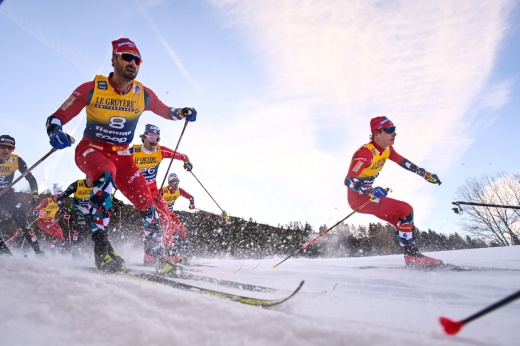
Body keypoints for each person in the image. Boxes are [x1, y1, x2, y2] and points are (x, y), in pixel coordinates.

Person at [45, 38, 197, 272]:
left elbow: (167, 111)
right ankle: (102, 250)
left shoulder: (142, 94)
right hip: (91, 150)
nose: (133, 63)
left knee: (148, 204)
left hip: (122, 155)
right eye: (127, 57)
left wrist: (182, 112)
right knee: (106, 174)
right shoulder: (92, 88)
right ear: (114, 59)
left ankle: (154, 255)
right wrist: (55, 132)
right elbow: (56, 117)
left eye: (137, 60)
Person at [344, 116, 443, 268]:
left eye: (394, 129)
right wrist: (370, 190)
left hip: (369, 197)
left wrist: (425, 174)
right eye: (390, 130)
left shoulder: (387, 150)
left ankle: (411, 256)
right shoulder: (365, 154)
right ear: (377, 133)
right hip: (359, 199)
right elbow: (349, 181)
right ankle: (412, 256)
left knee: (403, 221)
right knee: (406, 209)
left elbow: (403, 162)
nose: (394, 133)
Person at [130, 124, 193, 266]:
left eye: (157, 138)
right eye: (152, 137)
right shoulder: (134, 150)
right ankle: (149, 255)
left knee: (166, 218)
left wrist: (187, 162)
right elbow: (117, 160)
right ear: (145, 137)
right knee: (152, 222)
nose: (155, 141)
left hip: (153, 191)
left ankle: (169, 251)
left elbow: (182, 156)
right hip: (139, 192)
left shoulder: (160, 150)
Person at [0, 134, 45, 257]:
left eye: (10, 148)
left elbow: (31, 179)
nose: (6, 150)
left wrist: (35, 195)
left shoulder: (17, 160)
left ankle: (38, 252)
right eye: (3, 146)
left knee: (24, 221)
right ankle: (4, 251)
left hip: (7, 195)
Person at [161, 173, 195, 260]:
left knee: (181, 230)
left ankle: (187, 252)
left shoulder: (179, 191)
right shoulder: (163, 191)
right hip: (162, 214)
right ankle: (169, 253)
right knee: (170, 231)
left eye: (177, 182)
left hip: (171, 214)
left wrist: (191, 204)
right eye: (174, 182)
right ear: (169, 183)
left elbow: (191, 197)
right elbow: (153, 198)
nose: (176, 184)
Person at [58, 176, 93, 256]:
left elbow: (106, 195)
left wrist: (115, 200)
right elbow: (61, 197)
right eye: (90, 179)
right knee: (81, 223)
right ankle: (75, 250)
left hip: (89, 210)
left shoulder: (97, 185)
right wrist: (62, 207)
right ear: (87, 178)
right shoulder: (77, 184)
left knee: (94, 228)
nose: (91, 183)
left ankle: (89, 250)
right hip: (77, 208)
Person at [31, 186, 67, 254]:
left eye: (61, 195)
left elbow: (60, 210)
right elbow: (34, 210)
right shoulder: (47, 201)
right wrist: (38, 212)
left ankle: (62, 249)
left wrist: (62, 211)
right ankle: (52, 249)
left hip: (52, 220)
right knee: (55, 232)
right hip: (42, 220)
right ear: (54, 195)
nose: (60, 197)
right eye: (58, 195)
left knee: (60, 233)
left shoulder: (60, 202)